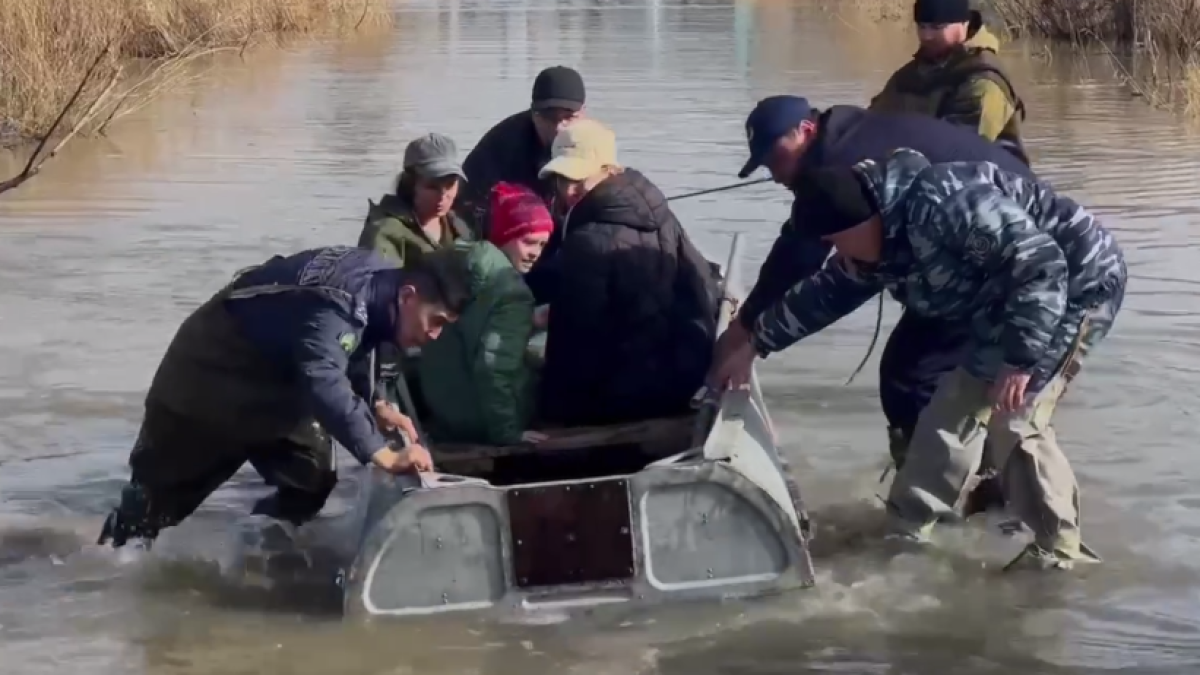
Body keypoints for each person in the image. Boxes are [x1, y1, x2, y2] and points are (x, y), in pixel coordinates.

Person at [711, 148, 1127, 570]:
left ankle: (1059, 555)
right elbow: (821, 296)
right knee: (950, 411)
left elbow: (1041, 266)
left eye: (835, 241)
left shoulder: (944, 205)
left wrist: (1020, 361)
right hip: (1004, 300)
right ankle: (907, 532)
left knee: (1015, 416)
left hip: (1077, 283)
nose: (836, 253)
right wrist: (754, 346)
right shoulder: (872, 246)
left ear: (858, 224)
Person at [717, 95, 1037, 514]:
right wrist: (754, 335)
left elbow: (805, 260)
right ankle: (955, 485)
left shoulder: (837, 167)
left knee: (914, 374)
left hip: (1006, 252)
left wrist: (744, 331)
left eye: (777, 159)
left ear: (806, 131)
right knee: (915, 371)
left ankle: (946, 496)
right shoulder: (841, 141)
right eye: (765, 165)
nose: (776, 175)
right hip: (969, 246)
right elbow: (815, 262)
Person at [97, 246, 473, 549]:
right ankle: (104, 572)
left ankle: (250, 551)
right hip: (210, 370)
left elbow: (356, 346)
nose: (435, 335)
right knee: (153, 505)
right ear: (408, 296)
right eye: (436, 321)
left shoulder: (383, 287)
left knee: (310, 477)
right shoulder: (340, 302)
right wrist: (383, 454)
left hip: (275, 383)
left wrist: (374, 404)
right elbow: (323, 377)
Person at [536, 119, 718, 427]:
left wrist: (551, 408)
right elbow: (703, 287)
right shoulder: (661, 212)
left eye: (579, 179)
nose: (569, 190)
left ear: (609, 170)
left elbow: (574, 341)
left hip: (632, 396)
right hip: (685, 374)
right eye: (562, 179)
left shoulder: (586, 242)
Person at [416, 182, 554, 446]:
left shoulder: (457, 262)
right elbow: (493, 368)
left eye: (542, 245)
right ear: (504, 235)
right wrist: (508, 433)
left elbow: (474, 327)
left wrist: (530, 321)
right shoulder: (513, 293)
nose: (535, 253)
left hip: (444, 410)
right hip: (481, 422)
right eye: (528, 242)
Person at [460, 65, 586, 303]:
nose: (559, 128)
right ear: (533, 114)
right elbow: (465, 209)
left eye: (568, 117)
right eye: (549, 118)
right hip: (510, 250)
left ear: (583, 114)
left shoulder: (592, 144)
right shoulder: (502, 147)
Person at [869, 0, 1028, 164]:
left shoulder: (984, 80)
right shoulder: (911, 74)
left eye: (937, 27)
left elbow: (960, 150)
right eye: (922, 26)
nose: (927, 36)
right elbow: (871, 123)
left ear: (964, 23)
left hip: (988, 176)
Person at [358, 133, 472, 266]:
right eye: (432, 187)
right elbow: (377, 277)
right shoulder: (385, 231)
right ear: (410, 185)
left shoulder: (457, 226)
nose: (443, 195)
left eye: (450, 185)